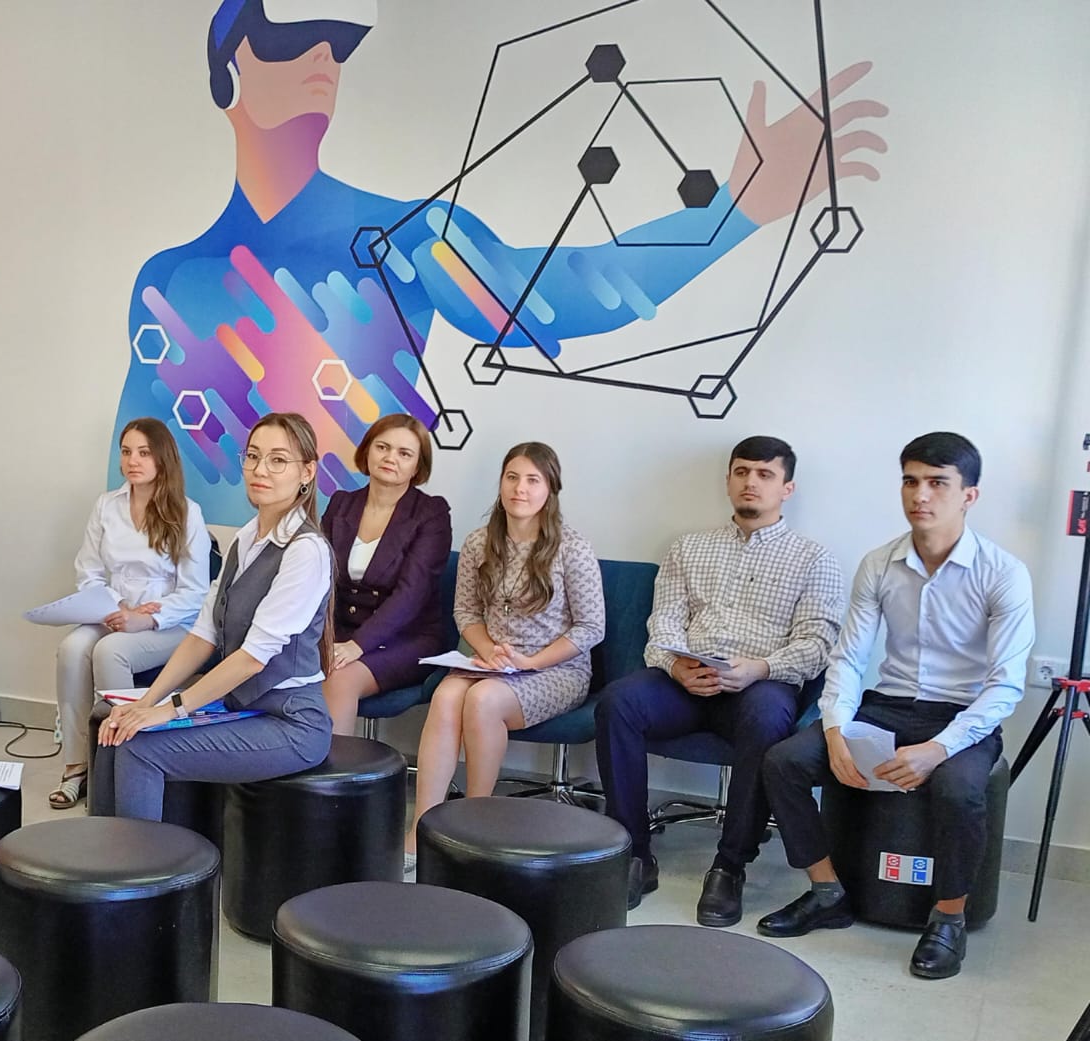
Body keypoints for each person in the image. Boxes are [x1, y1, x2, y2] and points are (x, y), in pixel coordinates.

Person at [111, 0, 888, 524]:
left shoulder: (406, 233)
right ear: (226, 73)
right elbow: (136, 463)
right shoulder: (169, 280)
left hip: (339, 567)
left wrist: (734, 210)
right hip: (204, 573)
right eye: (287, 38)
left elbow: (556, 294)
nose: (322, 55)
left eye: (337, 44)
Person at [759, 432, 1034, 980]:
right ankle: (827, 892)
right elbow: (849, 658)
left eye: (937, 483)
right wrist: (834, 730)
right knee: (785, 762)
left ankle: (948, 918)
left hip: (961, 714)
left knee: (958, 788)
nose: (920, 495)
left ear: (969, 496)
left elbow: (1005, 686)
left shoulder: (1003, 573)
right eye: (911, 481)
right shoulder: (879, 563)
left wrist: (939, 748)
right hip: (889, 704)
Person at [594, 436, 845, 924]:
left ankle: (729, 867)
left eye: (765, 474)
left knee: (767, 717)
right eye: (742, 471)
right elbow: (664, 623)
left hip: (760, 682)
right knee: (619, 702)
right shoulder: (689, 547)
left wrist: (759, 668)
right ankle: (633, 854)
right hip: (687, 679)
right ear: (729, 480)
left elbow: (817, 645)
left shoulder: (814, 558)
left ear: (787, 488)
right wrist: (675, 666)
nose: (751, 482)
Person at [91, 412, 334, 821]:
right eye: (253, 456)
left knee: (140, 750)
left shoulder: (306, 551)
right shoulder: (245, 538)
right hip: (242, 707)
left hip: (290, 722)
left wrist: (172, 709)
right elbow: (203, 634)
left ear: (306, 472)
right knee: (117, 731)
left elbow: (252, 658)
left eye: (278, 460)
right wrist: (146, 702)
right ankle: (105, 853)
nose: (260, 469)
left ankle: (140, 862)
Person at [406, 442, 604, 875]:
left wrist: (531, 663)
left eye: (533, 480)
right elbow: (466, 612)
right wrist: (487, 651)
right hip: (492, 660)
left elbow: (591, 628)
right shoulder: (479, 542)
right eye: (512, 477)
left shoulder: (572, 547)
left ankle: (475, 824)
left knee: (482, 701)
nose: (520, 489)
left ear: (550, 489)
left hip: (556, 669)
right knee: (445, 696)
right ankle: (421, 827)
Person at [51, 418, 211, 808]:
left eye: (143, 452)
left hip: (170, 623)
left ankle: (118, 766)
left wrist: (146, 619)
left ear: (162, 457)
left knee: (111, 652)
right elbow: (88, 571)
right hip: (114, 614)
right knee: (71, 649)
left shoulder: (187, 513)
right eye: (126, 452)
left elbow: (195, 593)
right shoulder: (107, 506)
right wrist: (113, 606)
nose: (132, 461)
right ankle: (77, 765)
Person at [320, 413, 452, 735]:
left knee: (340, 678)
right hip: (340, 633)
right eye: (383, 447)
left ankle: (332, 767)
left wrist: (358, 645)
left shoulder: (431, 513)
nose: (391, 458)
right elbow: (318, 578)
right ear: (367, 450)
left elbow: (411, 594)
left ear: (417, 466)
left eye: (404, 453)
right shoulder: (341, 504)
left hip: (407, 638)